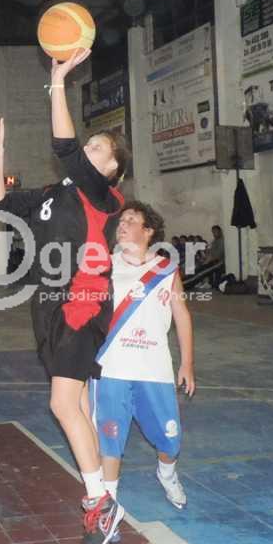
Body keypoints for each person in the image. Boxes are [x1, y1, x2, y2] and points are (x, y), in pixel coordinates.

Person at [0, 48, 128, 544]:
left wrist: (58, 81)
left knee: (61, 403)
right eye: (91, 143)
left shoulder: (102, 196)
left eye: (98, 147)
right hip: (48, 304)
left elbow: (64, 146)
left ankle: (98, 502)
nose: (89, 148)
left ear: (111, 170)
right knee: (77, 404)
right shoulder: (53, 193)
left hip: (82, 300)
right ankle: (107, 496)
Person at [93, 201, 196, 516]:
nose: (122, 224)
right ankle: (108, 505)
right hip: (111, 367)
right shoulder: (104, 264)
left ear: (148, 231)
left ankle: (167, 473)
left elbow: (181, 314)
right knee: (110, 439)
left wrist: (187, 363)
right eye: (121, 220)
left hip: (154, 368)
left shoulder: (165, 269)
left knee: (170, 440)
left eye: (131, 220)